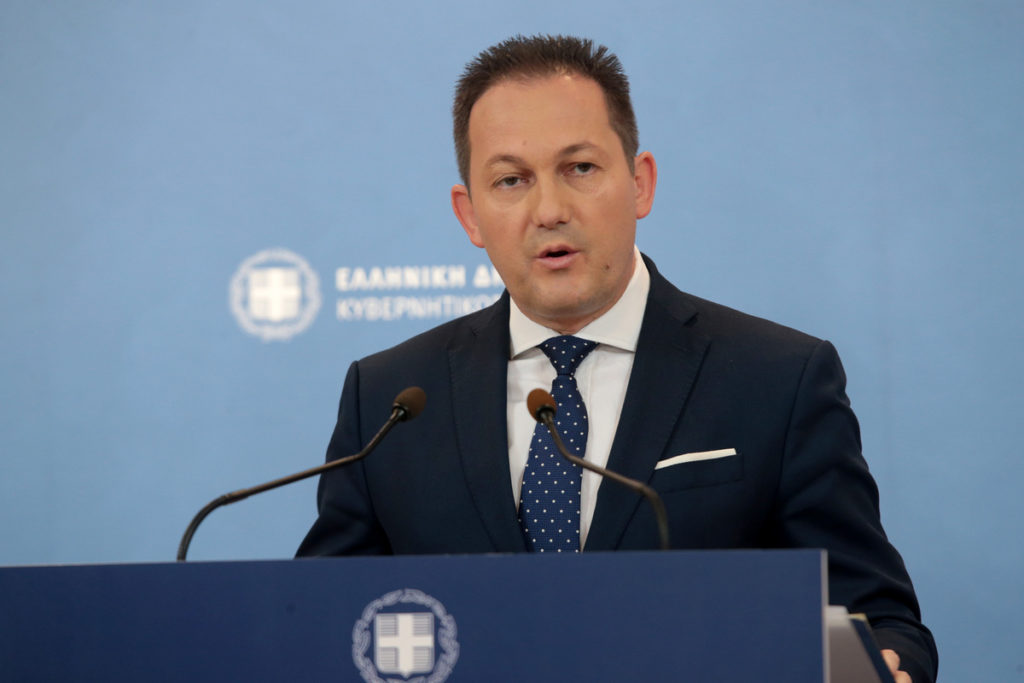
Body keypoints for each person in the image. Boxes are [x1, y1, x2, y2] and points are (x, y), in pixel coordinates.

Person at [298, 35, 937, 682]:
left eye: (580, 168)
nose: (549, 211)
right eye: (511, 180)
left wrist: (890, 668)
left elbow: (878, 620)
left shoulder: (777, 378)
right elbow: (316, 626)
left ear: (639, 183)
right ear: (470, 215)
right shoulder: (390, 400)